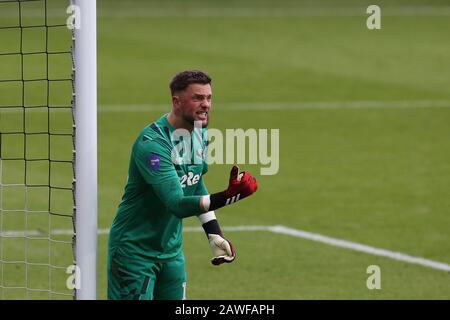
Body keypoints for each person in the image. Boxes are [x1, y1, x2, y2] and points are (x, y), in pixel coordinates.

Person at [107, 70, 258, 300]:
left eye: (208, 97)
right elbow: (176, 204)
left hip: (171, 252)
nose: (205, 104)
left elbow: (195, 182)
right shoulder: (153, 145)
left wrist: (214, 234)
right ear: (176, 102)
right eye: (197, 98)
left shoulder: (199, 132)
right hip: (133, 253)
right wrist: (229, 196)